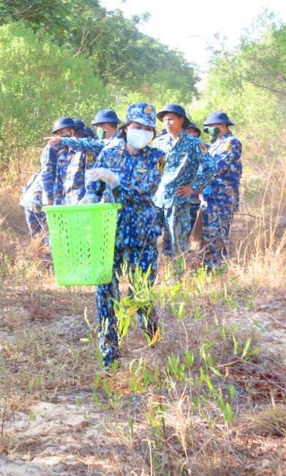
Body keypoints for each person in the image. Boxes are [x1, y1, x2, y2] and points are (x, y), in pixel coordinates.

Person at [81, 102, 166, 368]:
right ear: (127, 127)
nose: (142, 132)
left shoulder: (157, 157)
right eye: (138, 127)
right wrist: (89, 196)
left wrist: (116, 181)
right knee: (105, 294)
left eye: (148, 129)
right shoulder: (108, 152)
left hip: (142, 237)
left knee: (141, 294)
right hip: (110, 234)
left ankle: (152, 336)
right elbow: (94, 184)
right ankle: (110, 355)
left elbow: (146, 191)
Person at [153, 103, 215, 267]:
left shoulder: (194, 144)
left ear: (181, 120)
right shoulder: (160, 143)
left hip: (179, 200)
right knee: (154, 237)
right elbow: (159, 167)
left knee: (177, 241)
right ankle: (159, 273)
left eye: (171, 119)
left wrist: (193, 187)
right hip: (159, 199)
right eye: (165, 120)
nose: (167, 123)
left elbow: (210, 167)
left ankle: (178, 276)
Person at [200, 111, 242, 272]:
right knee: (208, 233)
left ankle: (217, 269)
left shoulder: (231, 143)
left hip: (223, 198)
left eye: (211, 126)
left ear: (222, 126)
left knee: (218, 235)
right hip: (209, 197)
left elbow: (217, 166)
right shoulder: (215, 144)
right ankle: (208, 268)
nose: (209, 129)